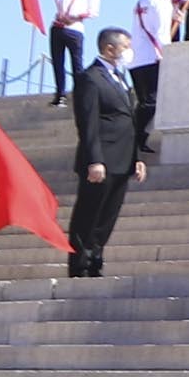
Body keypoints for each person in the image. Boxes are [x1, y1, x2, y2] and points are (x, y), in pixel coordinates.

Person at [66, 28, 147, 277]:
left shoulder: (120, 78)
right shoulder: (91, 78)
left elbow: (130, 121)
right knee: (89, 212)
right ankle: (80, 261)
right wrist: (94, 160)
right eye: (125, 46)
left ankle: (95, 256)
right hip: (101, 159)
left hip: (123, 159)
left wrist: (138, 158)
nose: (128, 51)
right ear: (109, 49)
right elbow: (87, 123)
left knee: (108, 215)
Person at [131, 0, 187, 160]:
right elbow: (161, 33)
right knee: (151, 102)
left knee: (146, 102)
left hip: (137, 58)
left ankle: (138, 138)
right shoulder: (161, 2)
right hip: (153, 57)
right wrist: (170, 54)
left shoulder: (142, 1)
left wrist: (175, 18)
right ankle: (134, 135)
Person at [47, 0, 100, 98]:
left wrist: (73, 18)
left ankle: (80, 92)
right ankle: (60, 93)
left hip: (75, 29)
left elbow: (93, 12)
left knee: (77, 63)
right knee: (58, 62)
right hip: (58, 27)